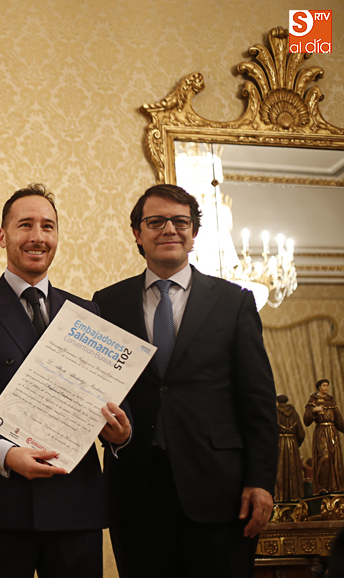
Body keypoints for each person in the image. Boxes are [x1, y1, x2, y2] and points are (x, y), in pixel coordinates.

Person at [0, 183, 131, 578]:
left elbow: (113, 400)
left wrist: (120, 433)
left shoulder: (87, 313)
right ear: (3, 236)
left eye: (48, 226)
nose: (38, 236)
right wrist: (5, 455)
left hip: (76, 506)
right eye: (25, 225)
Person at [92, 183, 278, 578]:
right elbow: (96, 389)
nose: (169, 230)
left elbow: (258, 401)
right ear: (137, 234)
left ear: (194, 234)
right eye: (156, 221)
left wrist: (261, 481)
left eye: (181, 221)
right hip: (135, 491)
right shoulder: (106, 303)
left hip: (222, 493)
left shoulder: (234, 302)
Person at [304, 379, 344, 494]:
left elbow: (339, 420)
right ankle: (322, 487)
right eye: (324, 385)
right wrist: (314, 410)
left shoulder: (331, 401)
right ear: (319, 387)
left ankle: (335, 486)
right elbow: (306, 419)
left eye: (327, 385)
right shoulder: (313, 400)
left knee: (335, 458)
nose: (326, 388)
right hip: (321, 432)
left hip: (332, 432)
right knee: (324, 457)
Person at [275, 394, 305, 501]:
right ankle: (295, 497)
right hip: (293, 443)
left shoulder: (274, 413)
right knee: (293, 470)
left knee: (280, 470)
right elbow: (301, 433)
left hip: (279, 443)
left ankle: (280, 498)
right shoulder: (294, 414)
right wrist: (296, 444)